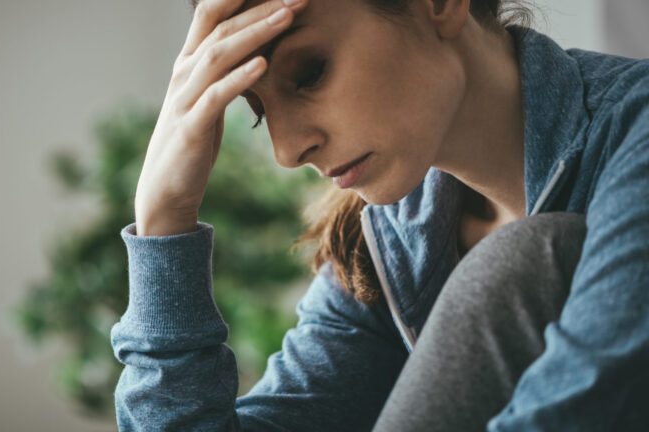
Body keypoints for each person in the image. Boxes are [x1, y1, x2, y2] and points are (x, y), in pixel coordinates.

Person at [110, 0, 649, 430]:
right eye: (258, 111)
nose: (287, 151)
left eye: (310, 73)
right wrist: (165, 221)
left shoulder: (636, 133)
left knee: (525, 259)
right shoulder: (387, 244)